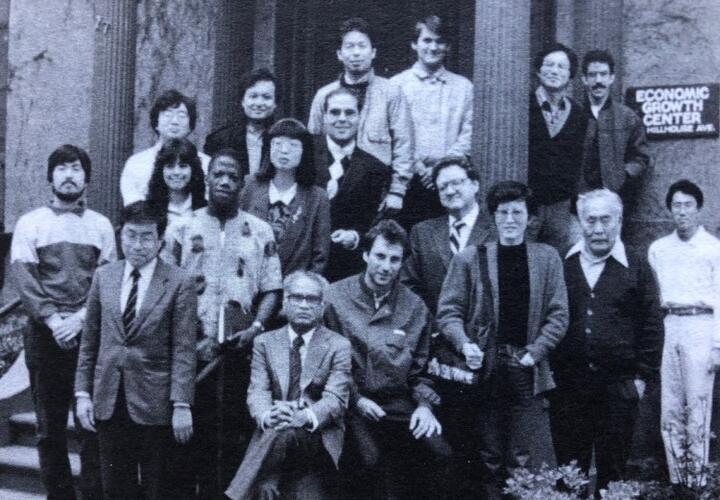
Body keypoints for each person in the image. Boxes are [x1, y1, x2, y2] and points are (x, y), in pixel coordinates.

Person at [436, 181, 568, 499]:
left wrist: (535, 352)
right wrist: (465, 344)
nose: (510, 219)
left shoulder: (546, 257)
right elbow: (448, 312)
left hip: (526, 366)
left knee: (527, 455)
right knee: (488, 452)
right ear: (493, 217)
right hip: (486, 368)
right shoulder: (470, 258)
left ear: (529, 217)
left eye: (517, 212)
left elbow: (559, 314)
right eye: (503, 212)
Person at [167, 148, 284, 497]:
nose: (225, 182)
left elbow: (272, 289)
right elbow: (164, 287)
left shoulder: (261, 231)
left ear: (242, 184)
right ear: (206, 180)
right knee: (187, 445)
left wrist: (256, 329)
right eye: (218, 174)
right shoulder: (182, 229)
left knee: (230, 443)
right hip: (191, 354)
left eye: (233, 177)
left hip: (239, 354)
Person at [10, 144, 114, 500]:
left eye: (76, 169)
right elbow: (25, 281)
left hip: (89, 337)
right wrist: (55, 321)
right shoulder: (30, 223)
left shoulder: (101, 226)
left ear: (87, 178)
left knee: (92, 423)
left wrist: (82, 319)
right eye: (62, 168)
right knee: (49, 428)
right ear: (50, 176)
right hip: (45, 336)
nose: (69, 175)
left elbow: (106, 283)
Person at [74, 201, 197, 499]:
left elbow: (184, 348)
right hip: (108, 397)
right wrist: (82, 394)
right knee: (115, 486)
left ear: (160, 241)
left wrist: (181, 404)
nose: (138, 245)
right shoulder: (104, 276)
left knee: (159, 487)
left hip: (155, 401)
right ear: (120, 235)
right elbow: (90, 340)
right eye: (131, 235)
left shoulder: (179, 281)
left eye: (146, 237)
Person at [324, 219, 450, 500]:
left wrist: (425, 405)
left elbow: (423, 369)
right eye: (380, 256)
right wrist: (356, 400)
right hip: (351, 402)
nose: (386, 266)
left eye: (394, 259)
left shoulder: (415, 306)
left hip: (398, 403)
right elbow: (327, 362)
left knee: (440, 452)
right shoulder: (334, 297)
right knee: (370, 461)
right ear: (366, 254)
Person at [551, 188, 662, 496]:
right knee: (569, 471)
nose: (598, 229)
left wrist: (640, 378)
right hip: (569, 387)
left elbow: (652, 323)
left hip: (619, 387)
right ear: (580, 223)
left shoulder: (637, 266)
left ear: (619, 221)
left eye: (605, 220)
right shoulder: (563, 263)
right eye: (590, 220)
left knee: (613, 472)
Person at [225, 271, 352, 499]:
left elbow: (336, 399)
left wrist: (303, 415)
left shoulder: (338, 345)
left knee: (283, 431)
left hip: (317, 435)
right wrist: (267, 414)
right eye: (297, 297)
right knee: (281, 431)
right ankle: (267, 476)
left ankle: (236, 494)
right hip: (277, 432)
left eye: (312, 299)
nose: (304, 305)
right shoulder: (265, 342)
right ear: (284, 302)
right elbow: (258, 390)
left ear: (322, 306)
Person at [648, 180, 720, 487]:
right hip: (670, 325)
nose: (682, 212)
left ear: (699, 208)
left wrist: (717, 345)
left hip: (701, 327)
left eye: (687, 205)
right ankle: (678, 480)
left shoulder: (713, 249)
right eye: (676, 206)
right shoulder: (659, 249)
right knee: (671, 406)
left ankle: (698, 482)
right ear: (669, 210)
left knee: (698, 405)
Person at [307, 17, 413, 215]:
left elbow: (404, 145)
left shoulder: (391, 93)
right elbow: (312, 143)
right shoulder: (323, 95)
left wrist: (397, 192)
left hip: (377, 190)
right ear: (339, 53)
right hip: (329, 189)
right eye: (349, 46)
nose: (356, 53)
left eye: (362, 46)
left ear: (373, 52)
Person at [391, 14, 473, 229]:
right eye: (427, 40)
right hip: (408, 179)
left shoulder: (463, 87)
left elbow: (469, 132)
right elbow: (394, 134)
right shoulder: (396, 85)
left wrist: (441, 168)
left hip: (450, 180)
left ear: (448, 46)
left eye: (440, 41)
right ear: (414, 44)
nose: (433, 47)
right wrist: (418, 167)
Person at [313, 87, 390, 282]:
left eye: (349, 113)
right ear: (324, 116)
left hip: (346, 267)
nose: (342, 119)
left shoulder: (375, 169)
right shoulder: (306, 156)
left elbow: (373, 222)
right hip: (303, 262)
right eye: (335, 112)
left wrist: (354, 237)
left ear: (359, 117)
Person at [400, 156, 491, 315]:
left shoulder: (498, 230)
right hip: (435, 332)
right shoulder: (422, 233)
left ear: (475, 185)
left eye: (456, 183)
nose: (449, 191)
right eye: (442, 187)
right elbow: (409, 286)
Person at [241, 118, 331, 276]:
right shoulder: (249, 185)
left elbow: (320, 257)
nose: (284, 150)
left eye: (293, 145)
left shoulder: (317, 198)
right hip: (247, 282)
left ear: (305, 151)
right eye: (277, 143)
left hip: (294, 291)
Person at [579, 50, 651, 225]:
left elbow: (641, 157)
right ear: (584, 79)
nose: (598, 81)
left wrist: (622, 175)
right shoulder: (574, 114)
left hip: (613, 199)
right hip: (578, 201)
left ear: (611, 78)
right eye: (592, 75)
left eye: (603, 74)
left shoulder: (627, 117)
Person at [527, 43, 587, 251]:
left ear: (570, 75)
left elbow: (578, 161)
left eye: (562, 67)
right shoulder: (523, 105)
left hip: (560, 206)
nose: (554, 71)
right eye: (549, 65)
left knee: (560, 260)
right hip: (527, 204)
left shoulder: (578, 114)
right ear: (538, 70)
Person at [120, 89, 210, 206]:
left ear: (191, 125)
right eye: (167, 115)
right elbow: (133, 205)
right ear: (156, 122)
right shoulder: (136, 163)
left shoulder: (207, 163)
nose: (174, 121)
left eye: (182, 116)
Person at [204, 68, 276, 178]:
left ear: (275, 103)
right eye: (253, 96)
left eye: (266, 97)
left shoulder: (281, 139)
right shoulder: (220, 139)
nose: (259, 103)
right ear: (242, 101)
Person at [146, 137, 207, 227]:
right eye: (170, 166)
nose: (176, 172)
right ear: (161, 170)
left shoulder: (206, 209)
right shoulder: (148, 209)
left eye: (183, 166)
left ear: (193, 169)